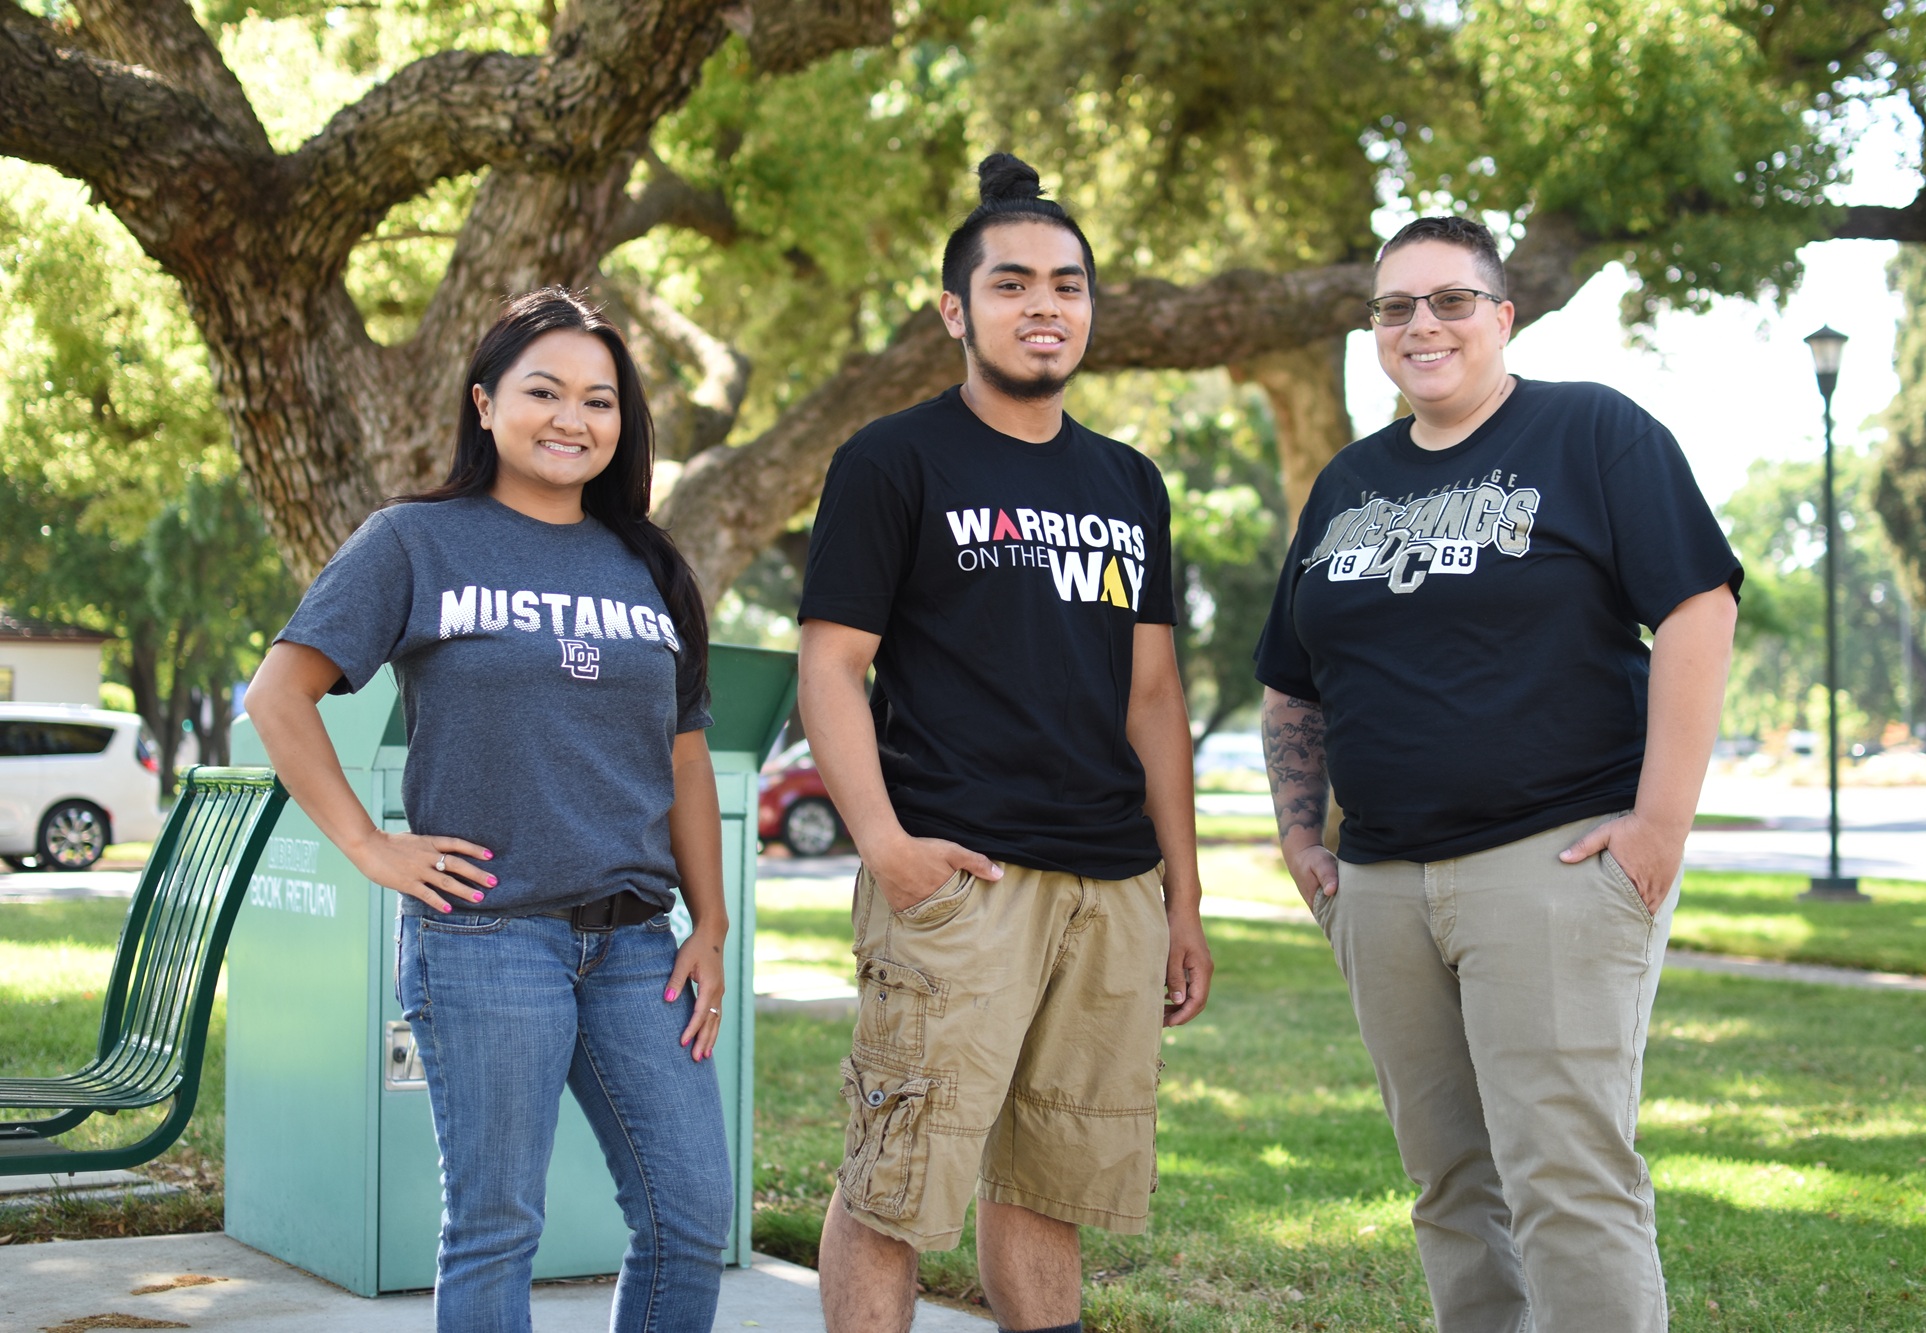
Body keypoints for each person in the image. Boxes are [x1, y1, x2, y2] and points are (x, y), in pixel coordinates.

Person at [1255, 216, 1740, 1333]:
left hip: (1551, 863)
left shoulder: (1590, 432)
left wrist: (1658, 825)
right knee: (1448, 1189)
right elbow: (1292, 674)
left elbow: (1695, 606)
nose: (1419, 324)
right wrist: (1297, 838)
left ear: (1501, 315)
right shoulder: (1346, 482)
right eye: (1393, 307)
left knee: (1568, 1182)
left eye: (1448, 300)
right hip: (1378, 883)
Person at [242, 288, 734, 1333]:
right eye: (543, 391)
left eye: (598, 400)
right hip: (486, 936)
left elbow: (683, 755)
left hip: (638, 943)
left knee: (690, 1212)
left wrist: (715, 923)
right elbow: (276, 694)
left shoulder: (649, 563)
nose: (572, 418)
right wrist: (367, 844)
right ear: (484, 403)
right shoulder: (415, 542)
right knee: (497, 1224)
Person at [799, 153, 1215, 1333]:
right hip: (960, 877)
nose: (1046, 305)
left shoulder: (1128, 480)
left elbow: (1151, 697)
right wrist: (884, 846)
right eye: (1013, 282)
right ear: (954, 310)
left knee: (1051, 1183)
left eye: (1070, 284)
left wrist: (1178, 898)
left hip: (1109, 883)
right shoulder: (892, 461)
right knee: (895, 1182)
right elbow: (831, 664)